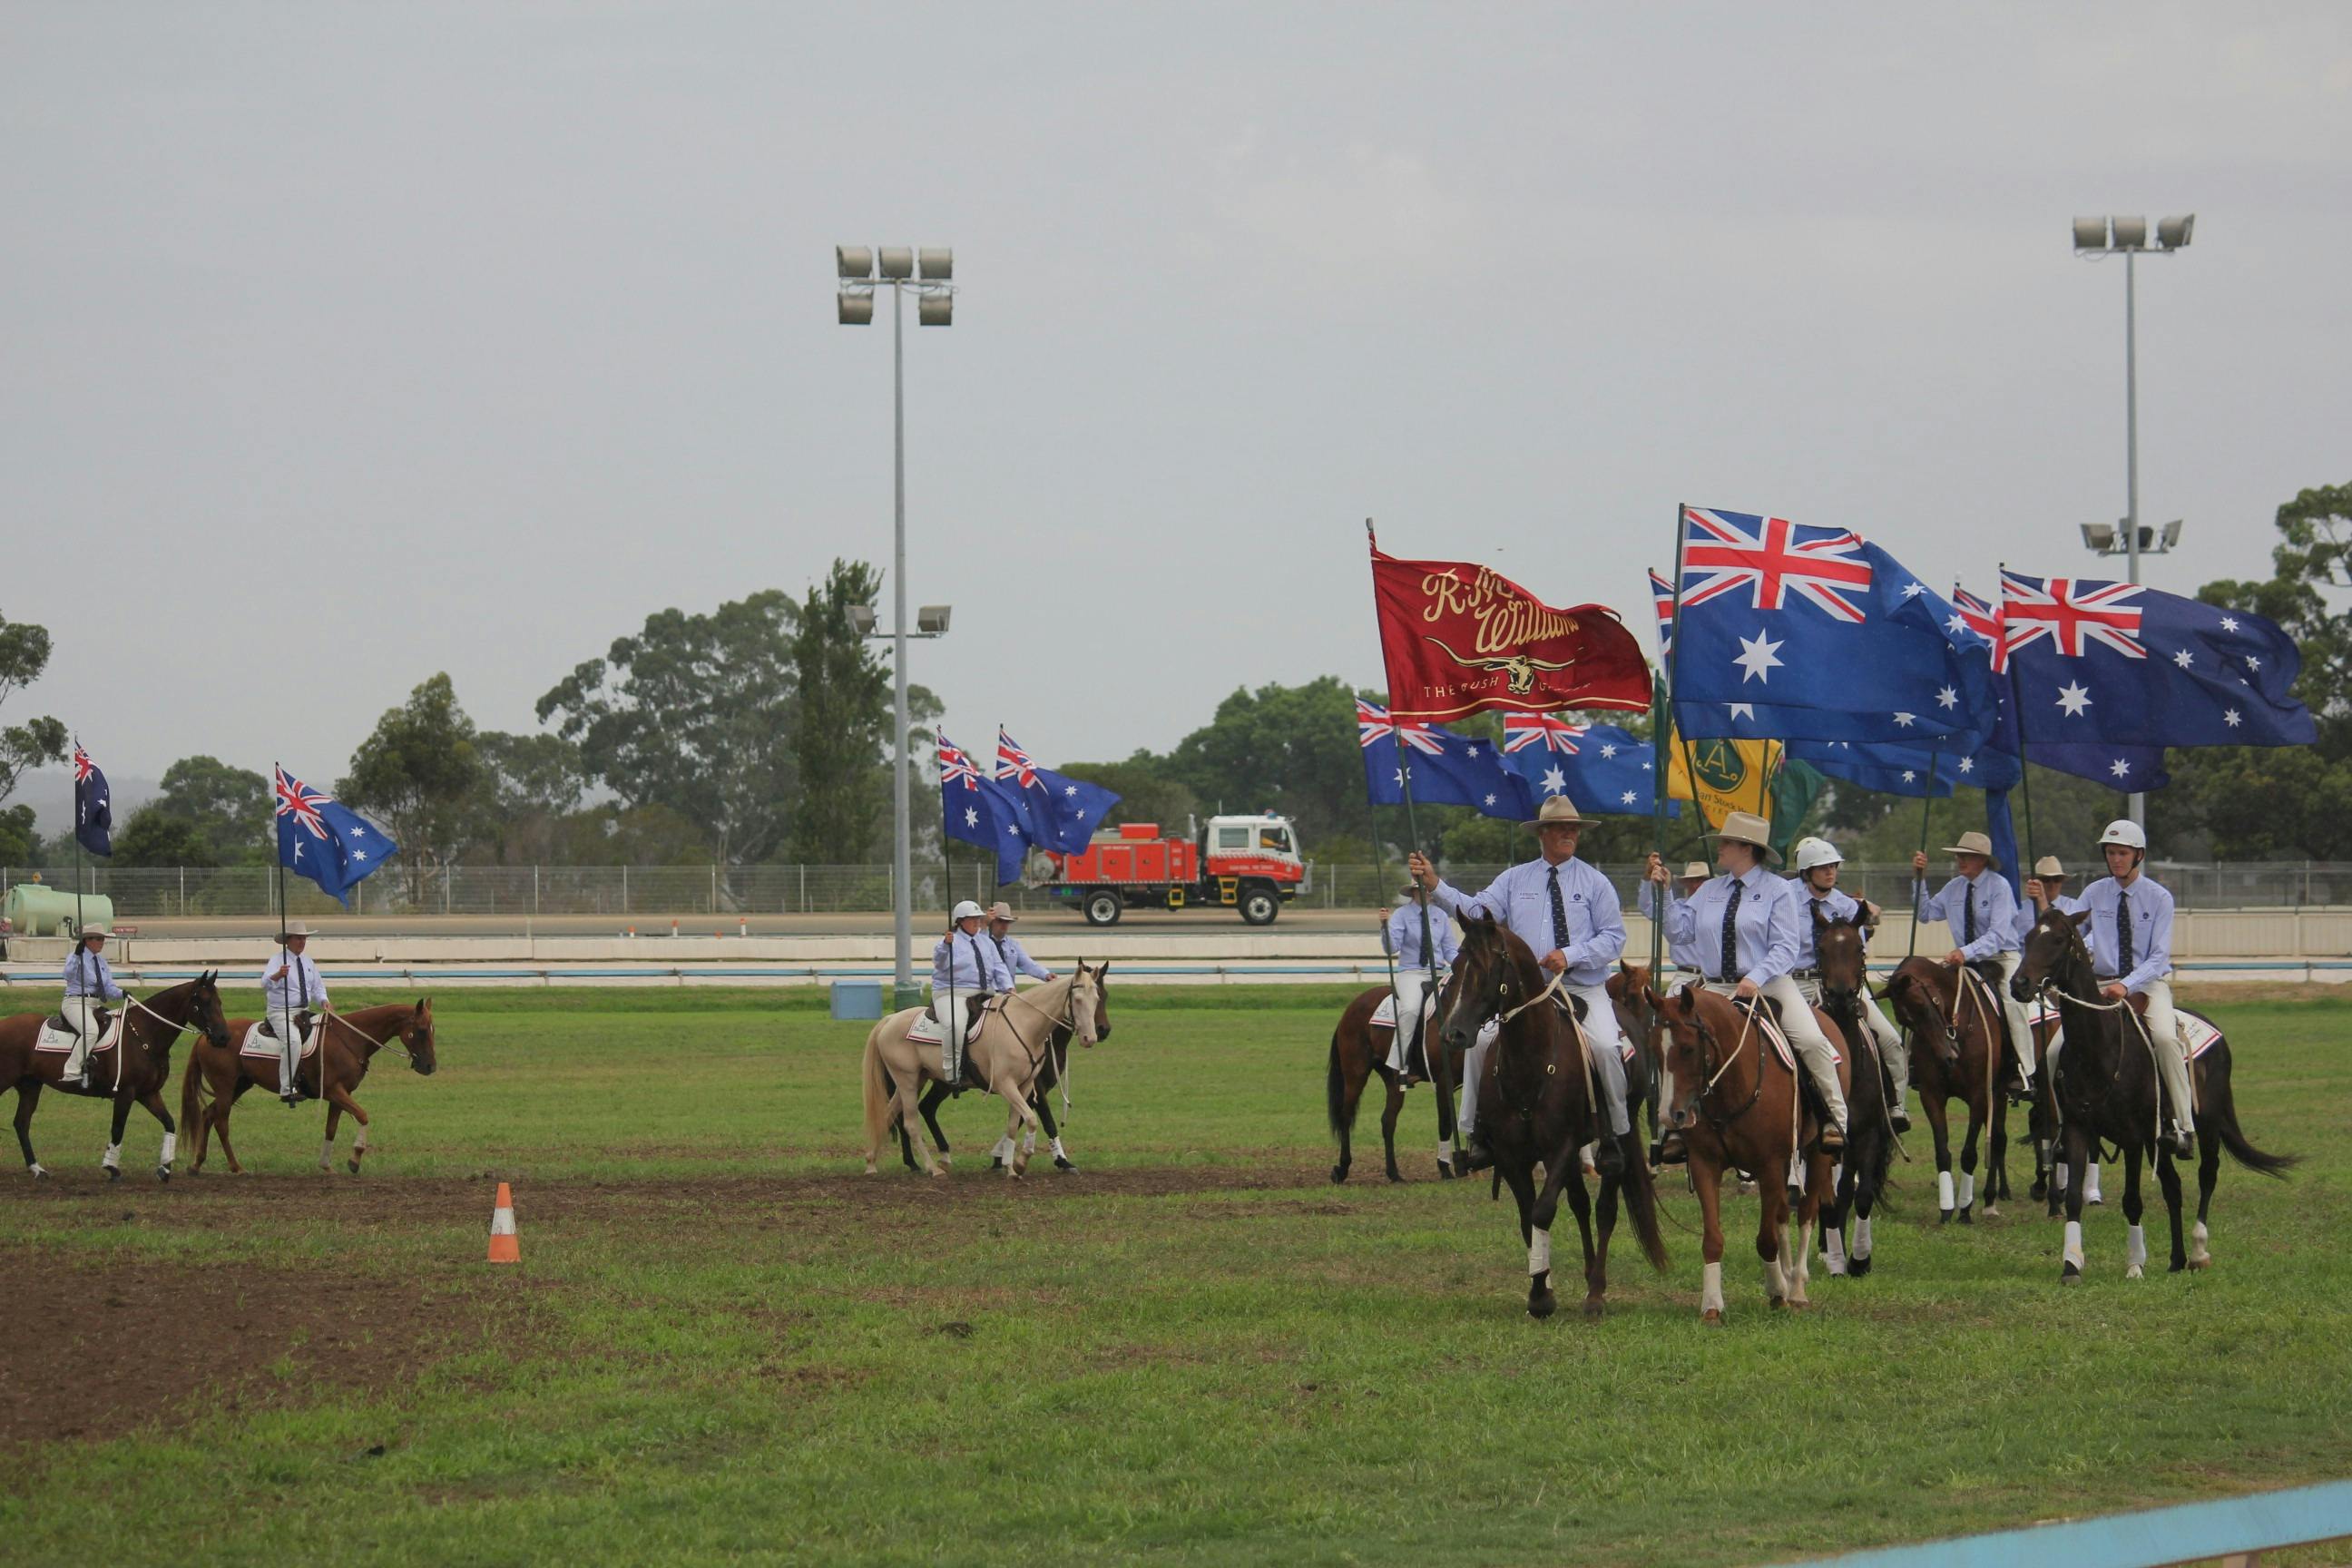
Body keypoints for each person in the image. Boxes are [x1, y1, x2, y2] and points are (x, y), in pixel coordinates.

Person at [1406, 794, 1632, 1177]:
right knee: (1478, 1046)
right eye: (1561, 827)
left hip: (1581, 988)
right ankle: (1478, 1133)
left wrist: (1571, 954)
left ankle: (1614, 1134)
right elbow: (1477, 913)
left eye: (1574, 828)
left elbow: (1614, 937)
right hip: (1529, 995)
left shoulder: (1595, 882)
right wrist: (1436, 886)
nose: (1569, 833)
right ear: (1542, 833)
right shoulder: (1514, 879)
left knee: (1608, 1047)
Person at [1646, 811, 1847, 1163]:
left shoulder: (1778, 891)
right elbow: (1680, 931)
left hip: (1768, 983)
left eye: (1725, 843)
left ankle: (1833, 1118)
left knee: (1813, 1040)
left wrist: (1755, 977)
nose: (1719, 848)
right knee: (1673, 1039)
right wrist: (1661, 892)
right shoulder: (1709, 890)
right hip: (1713, 988)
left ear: (1746, 849)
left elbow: (1786, 946)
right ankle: (1672, 1127)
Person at [2075, 820, 2193, 1157]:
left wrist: (2126, 986)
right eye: (2111, 853)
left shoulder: (2159, 897)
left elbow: (2159, 957)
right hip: (2100, 987)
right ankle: (2059, 1128)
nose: (2115, 859)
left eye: (2122, 853)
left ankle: (2183, 1127)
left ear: (2138, 855)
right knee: (2057, 1050)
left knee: (2167, 1040)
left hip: (2147, 984)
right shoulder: (2093, 893)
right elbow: (2066, 927)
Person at [1788, 836, 1910, 1132]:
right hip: (1796, 983)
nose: (1831, 872)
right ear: (1806, 871)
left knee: (1891, 1040)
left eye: (1834, 866)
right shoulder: (1783, 897)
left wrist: (1869, 920)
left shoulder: (1847, 906)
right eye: (1823, 867)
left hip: (1844, 985)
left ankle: (1894, 1107)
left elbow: (1859, 950)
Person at [1911, 831, 2034, 1095]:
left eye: (1966, 856)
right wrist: (1919, 879)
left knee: (2013, 1004)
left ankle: (2024, 1070)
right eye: (1958, 855)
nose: (1960, 860)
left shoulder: (1999, 887)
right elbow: (1925, 914)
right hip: (1963, 960)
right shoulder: (1954, 887)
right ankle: (1917, 1062)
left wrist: (1966, 952)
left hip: (2001, 957)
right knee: (1924, 995)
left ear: (1982, 860)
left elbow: (1998, 935)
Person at [2022, 855, 2102, 1203]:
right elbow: (2022, 946)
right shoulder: (2022, 909)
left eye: (2054, 881)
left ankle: (2176, 1123)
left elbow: (2086, 951)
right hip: (2039, 988)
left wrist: (2044, 905)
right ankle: (2022, 1074)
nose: (2049, 885)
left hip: (2081, 992)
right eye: (2043, 880)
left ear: (2062, 883)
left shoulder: (2074, 908)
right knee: (2051, 1059)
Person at [1376, 883, 1458, 1078]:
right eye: (1422, 889)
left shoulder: (1441, 916)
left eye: (1429, 889)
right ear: (1413, 892)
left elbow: (1449, 950)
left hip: (1438, 971)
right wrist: (1384, 927)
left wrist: (1463, 965)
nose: (1428, 892)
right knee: (1411, 1009)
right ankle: (1400, 1064)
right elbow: (1391, 948)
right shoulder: (1401, 914)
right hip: (1411, 972)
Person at [931, 900, 1011, 1092]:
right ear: (960, 921)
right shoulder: (949, 942)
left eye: (978, 919)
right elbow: (939, 963)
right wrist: (945, 946)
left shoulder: (987, 941)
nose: (977, 922)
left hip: (985, 993)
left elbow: (999, 966)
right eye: (973, 920)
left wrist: (1009, 988)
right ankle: (952, 1073)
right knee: (955, 1025)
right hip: (954, 993)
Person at [260, 921, 330, 1107]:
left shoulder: (308, 961)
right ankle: (286, 1088)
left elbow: (317, 987)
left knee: (327, 1032)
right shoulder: (277, 960)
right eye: (299, 938)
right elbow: (264, 983)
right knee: (293, 1041)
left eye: (304, 938)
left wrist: (324, 1000)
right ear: (288, 940)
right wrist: (277, 975)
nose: (302, 942)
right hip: (280, 1012)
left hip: (303, 1011)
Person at [60, 924, 125, 1089]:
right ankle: (71, 1071)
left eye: (103, 938)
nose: (102, 942)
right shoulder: (75, 957)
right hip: (75, 1002)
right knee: (91, 1031)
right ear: (87, 940)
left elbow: (108, 988)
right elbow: (67, 975)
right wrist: (76, 956)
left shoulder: (101, 962)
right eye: (98, 938)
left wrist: (123, 993)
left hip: (94, 1005)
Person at [1636, 861, 1713, 978]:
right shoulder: (1675, 907)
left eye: (1700, 880)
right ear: (1686, 883)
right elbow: (1647, 906)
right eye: (1691, 880)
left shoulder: (1718, 909)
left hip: (1714, 977)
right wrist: (1647, 879)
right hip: (1685, 976)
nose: (1695, 885)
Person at [985, 902, 1054, 985]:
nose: (1004, 925)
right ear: (991, 922)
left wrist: (1046, 974)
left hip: (1008, 991)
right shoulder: (981, 941)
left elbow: (1027, 963)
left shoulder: (1013, 944)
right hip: (987, 992)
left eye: (1007, 921)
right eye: (1000, 921)